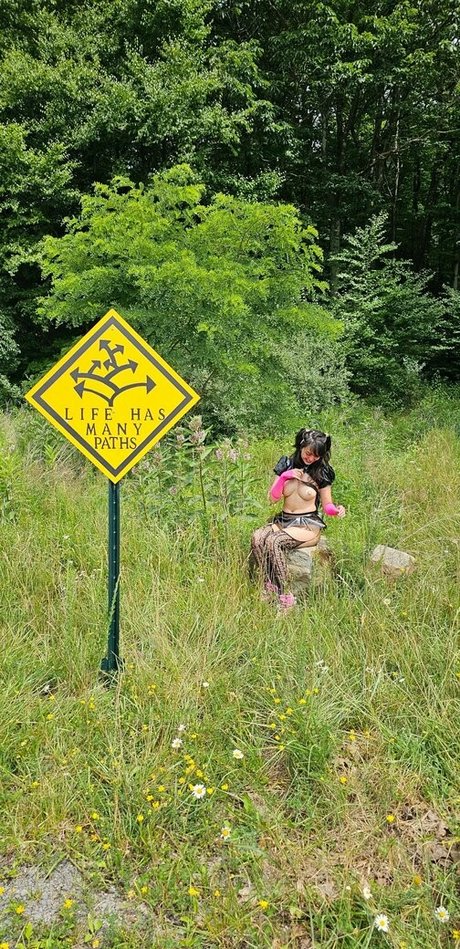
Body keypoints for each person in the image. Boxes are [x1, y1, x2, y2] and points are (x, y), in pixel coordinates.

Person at [250, 428, 346, 609]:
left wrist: (336, 510)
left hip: (306, 524)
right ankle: (270, 586)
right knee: (257, 537)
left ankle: (286, 598)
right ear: (301, 446)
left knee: (273, 541)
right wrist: (284, 477)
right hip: (284, 520)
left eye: (316, 456)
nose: (311, 458)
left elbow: (327, 505)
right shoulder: (286, 464)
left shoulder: (322, 472)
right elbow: (272, 499)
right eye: (308, 453)